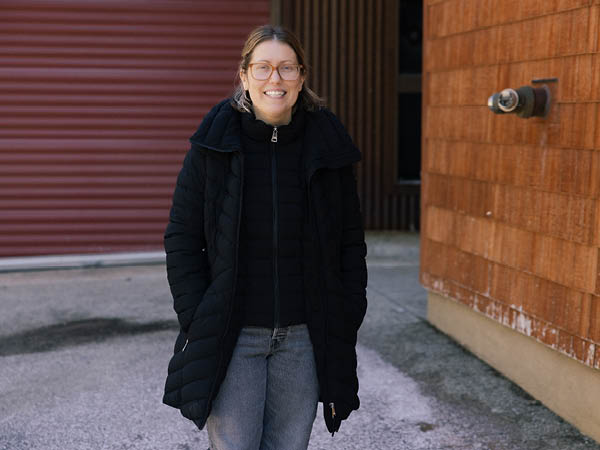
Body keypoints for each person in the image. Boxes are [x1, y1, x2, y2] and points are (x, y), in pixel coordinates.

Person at [162, 24, 368, 450]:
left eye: (286, 68)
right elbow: (182, 239)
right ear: (244, 76)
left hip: (304, 340)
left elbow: (350, 241)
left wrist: (345, 316)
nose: (275, 80)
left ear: (302, 77)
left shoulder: (327, 147)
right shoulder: (212, 147)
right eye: (263, 68)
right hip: (234, 335)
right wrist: (198, 316)